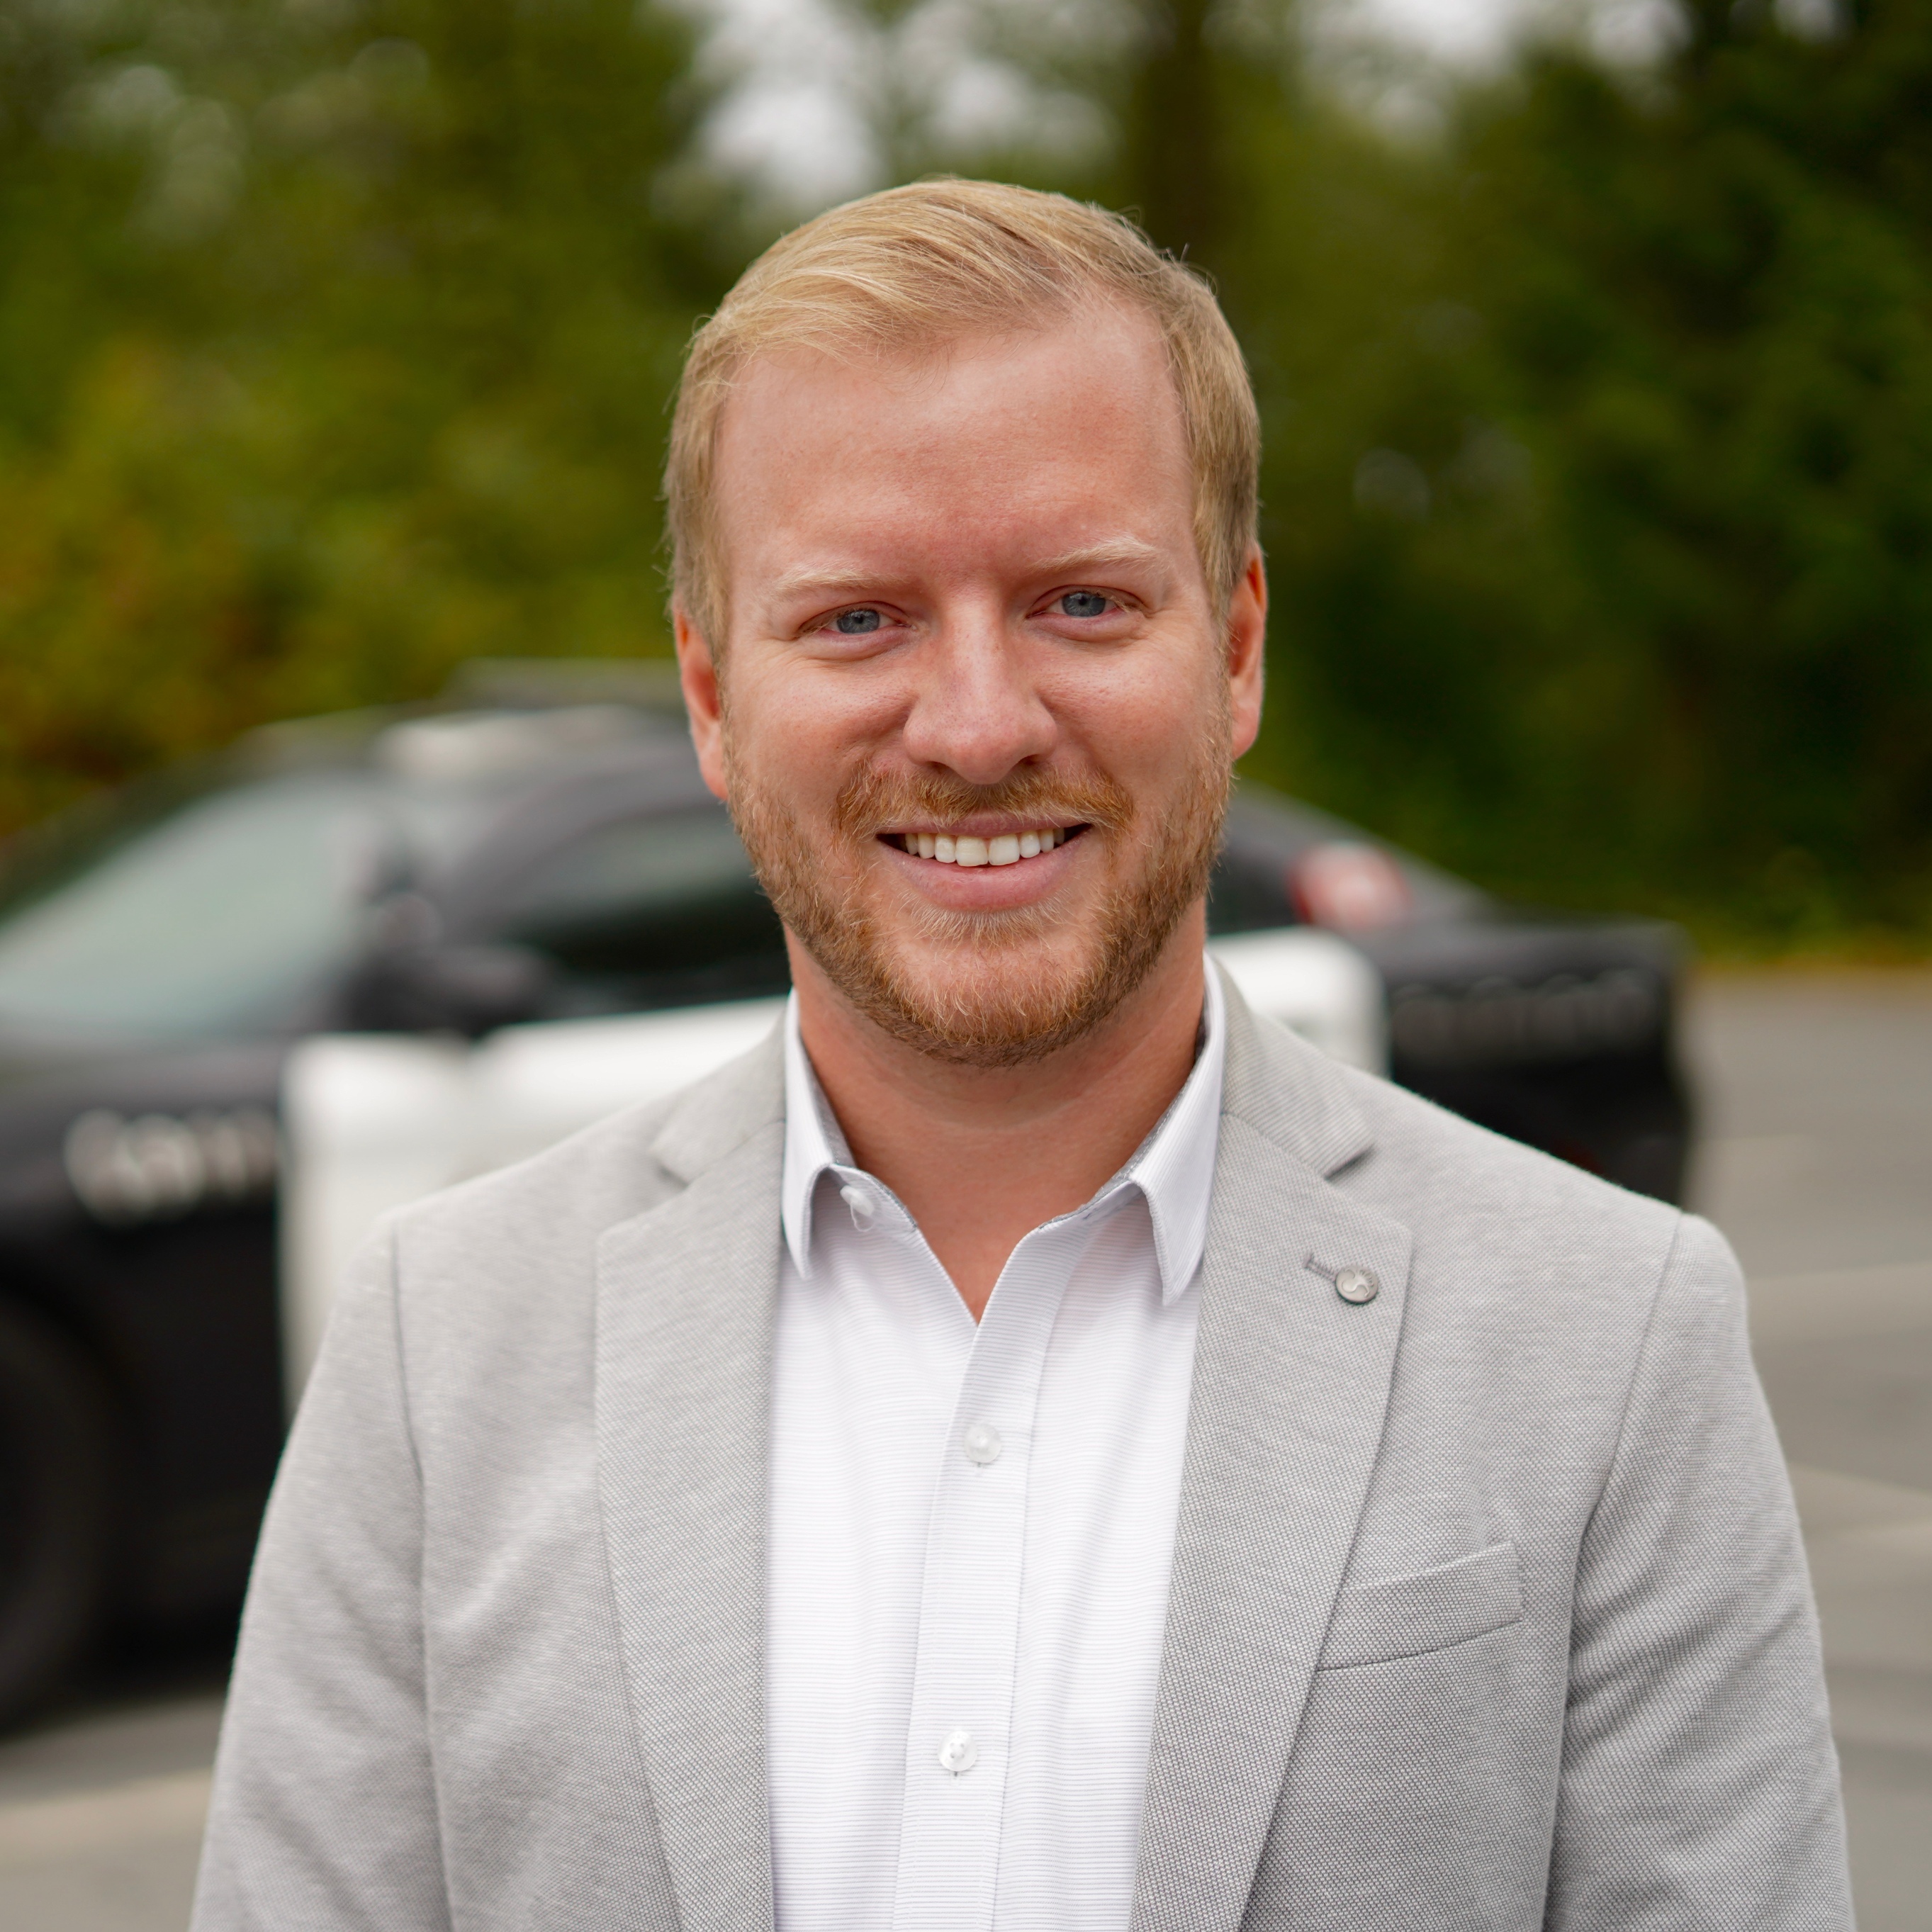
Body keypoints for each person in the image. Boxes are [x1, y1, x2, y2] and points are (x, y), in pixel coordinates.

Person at [191, 180, 1850, 1932]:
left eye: (1078, 601)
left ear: (1236, 648)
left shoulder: (1609, 1334)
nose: (977, 726)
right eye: (856, 619)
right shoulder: (436, 1350)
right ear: (705, 696)